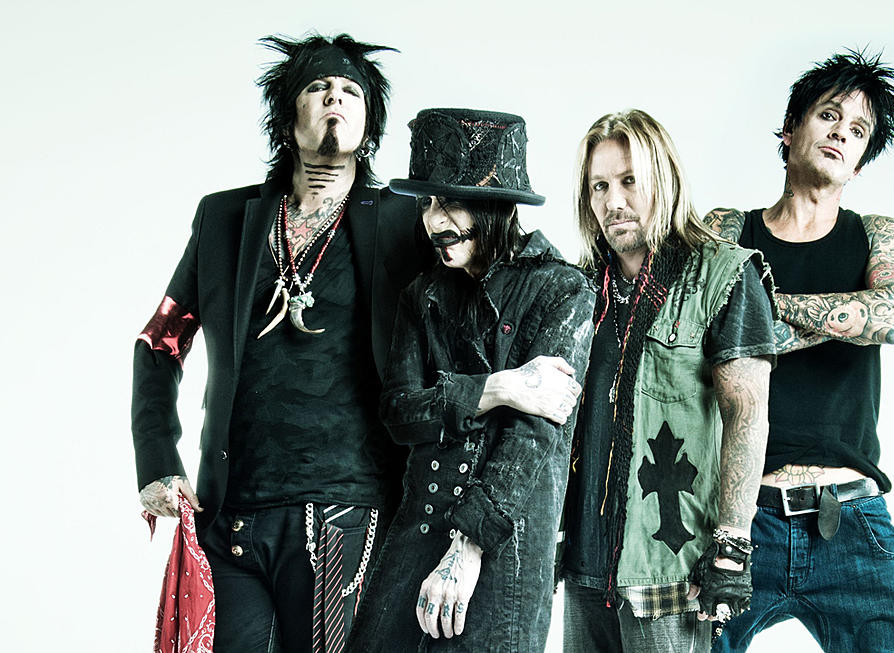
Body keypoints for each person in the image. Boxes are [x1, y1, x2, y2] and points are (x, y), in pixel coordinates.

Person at [131, 33, 430, 652]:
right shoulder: (224, 220)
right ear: (287, 116)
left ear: (369, 122)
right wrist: (158, 460)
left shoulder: (405, 220)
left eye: (351, 91)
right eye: (318, 87)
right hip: (231, 516)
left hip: (348, 513)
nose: (335, 99)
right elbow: (160, 341)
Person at [347, 108, 595, 651]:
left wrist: (469, 546)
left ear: (495, 203)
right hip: (417, 527)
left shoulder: (562, 289)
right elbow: (399, 412)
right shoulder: (423, 293)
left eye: (449, 202)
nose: (433, 221)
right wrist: (498, 387)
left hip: (503, 544)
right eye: (427, 203)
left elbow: (534, 437)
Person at [705, 49, 894, 652]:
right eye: (829, 116)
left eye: (858, 130)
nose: (841, 134)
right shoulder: (727, 230)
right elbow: (704, 331)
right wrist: (847, 318)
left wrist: (770, 311)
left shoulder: (875, 233)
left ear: (860, 161)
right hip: (742, 519)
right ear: (789, 129)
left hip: (851, 520)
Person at [557, 109, 777, 651]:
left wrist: (732, 546)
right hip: (585, 562)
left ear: (664, 180)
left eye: (629, 181)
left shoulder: (723, 273)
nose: (614, 202)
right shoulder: (579, 289)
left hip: (670, 567)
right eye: (599, 186)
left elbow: (747, 415)